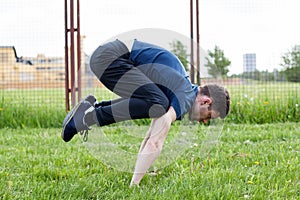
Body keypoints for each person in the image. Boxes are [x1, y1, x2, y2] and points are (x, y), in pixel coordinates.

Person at [61, 39, 230, 186]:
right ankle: (86, 117)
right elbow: (155, 142)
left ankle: (90, 110)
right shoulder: (185, 96)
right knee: (158, 103)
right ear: (206, 101)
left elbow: (151, 135)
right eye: (208, 116)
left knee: (159, 103)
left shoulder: (180, 90)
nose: (205, 122)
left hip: (109, 56)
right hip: (110, 58)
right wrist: (134, 185)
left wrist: (138, 175)